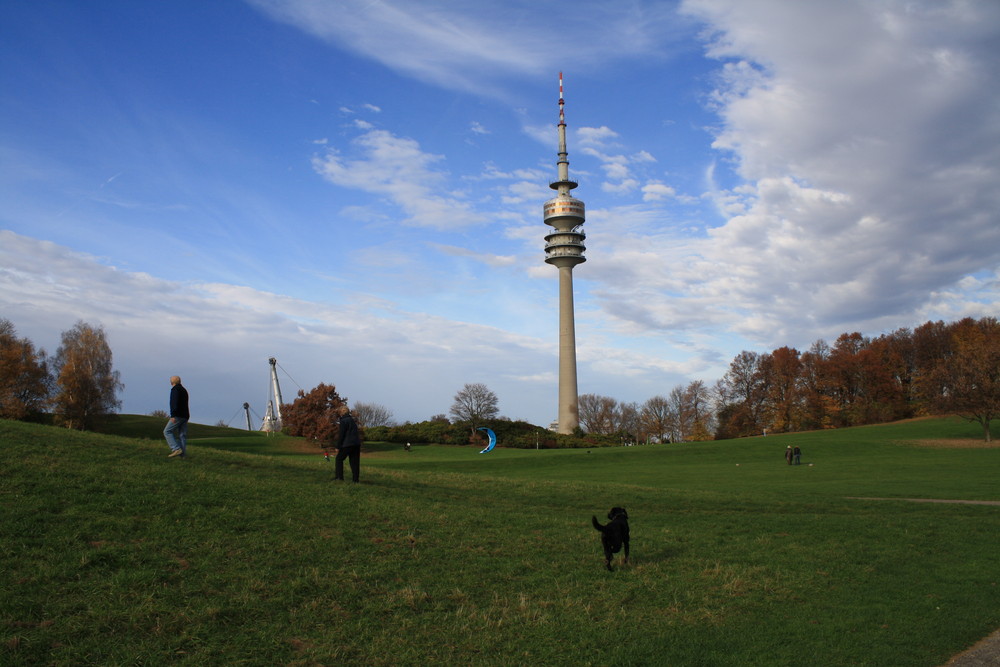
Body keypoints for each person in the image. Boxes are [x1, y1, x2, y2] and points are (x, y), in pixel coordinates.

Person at [164, 376, 189, 458]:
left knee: (167, 431)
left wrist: (173, 415)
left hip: (177, 415)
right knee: (182, 435)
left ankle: (176, 449)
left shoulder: (175, 390)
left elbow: (174, 403)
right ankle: (183, 455)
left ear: (172, 382)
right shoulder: (184, 390)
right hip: (185, 415)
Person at [334, 406, 361, 482]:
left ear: (341, 412)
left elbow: (341, 435)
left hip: (347, 444)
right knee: (354, 462)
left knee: (339, 459)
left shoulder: (343, 421)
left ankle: (339, 477)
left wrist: (338, 446)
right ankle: (355, 480)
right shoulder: (352, 420)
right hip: (356, 444)